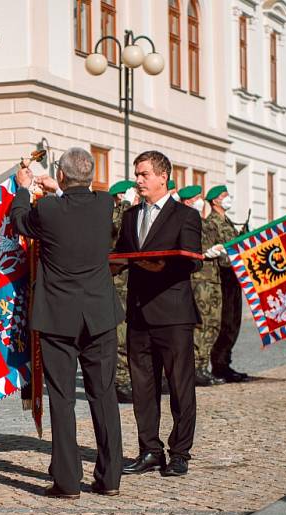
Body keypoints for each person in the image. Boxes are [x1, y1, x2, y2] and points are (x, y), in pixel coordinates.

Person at [10, 147, 124, 499]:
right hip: (100, 315)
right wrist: (56, 187)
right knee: (103, 396)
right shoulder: (105, 204)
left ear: (61, 175)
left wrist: (23, 188)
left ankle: (67, 481)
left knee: (62, 399)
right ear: (90, 176)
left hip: (59, 317)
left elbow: (19, 220)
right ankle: (109, 479)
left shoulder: (46, 209)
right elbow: (77, 206)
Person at [115, 150, 202, 478]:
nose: (138, 180)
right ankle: (149, 450)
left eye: (144, 174)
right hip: (139, 314)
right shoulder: (129, 216)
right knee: (143, 388)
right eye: (137, 174)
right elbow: (122, 255)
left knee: (181, 387)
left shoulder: (185, 216)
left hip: (173, 314)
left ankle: (180, 452)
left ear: (163, 178)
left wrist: (163, 265)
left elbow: (193, 259)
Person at [177, 185, 225, 387]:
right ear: (187, 202)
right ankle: (196, 367)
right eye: (196, 198)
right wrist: (205, 253)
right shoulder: (183, 221)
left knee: (213, 325)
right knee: (202, 325)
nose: (200, 201)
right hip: (198, 281)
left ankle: (203, 366)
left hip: (212, 279)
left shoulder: (204, 222)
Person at [205, 185, 248, 383]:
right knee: (224, 322)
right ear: (215, 201)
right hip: (221, 278)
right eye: (224, 196)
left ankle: (225, 363)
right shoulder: (211, 223)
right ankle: (218, 364)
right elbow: (210, 252)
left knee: (234, 322)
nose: (228, 198)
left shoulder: (227, 222)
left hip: (233, 278)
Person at [108, 179, 138, 403]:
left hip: (131, 282)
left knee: (131, 334)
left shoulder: (131, 214)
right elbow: (116, 230)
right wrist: (126, 204)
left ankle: (128, 379)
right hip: (116, 283)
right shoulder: (112, 214)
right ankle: (120, 382)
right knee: (120, 335)